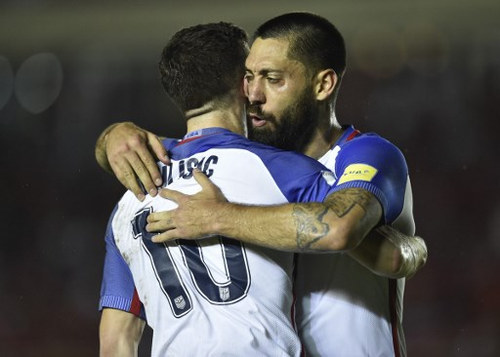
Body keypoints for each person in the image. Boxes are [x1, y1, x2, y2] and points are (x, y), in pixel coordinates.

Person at [97, 13, 427, 357]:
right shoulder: (257, 166)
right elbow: (183, 146)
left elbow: (360, 239)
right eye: (249, 78)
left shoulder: (364, 153)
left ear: (323, 85)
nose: (253, 94)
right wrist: (112, 136)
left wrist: (218, 217)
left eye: (272, 79)